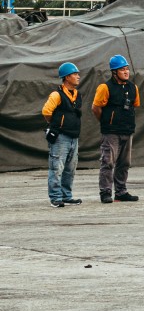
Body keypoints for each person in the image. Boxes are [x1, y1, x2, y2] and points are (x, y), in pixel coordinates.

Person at [92, 54, 141, 203]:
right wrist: (107, 122)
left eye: (127, 69)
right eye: (122, 69)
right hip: (111, 132)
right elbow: (96, 108)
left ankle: (121, 192)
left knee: (124, 163)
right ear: (114, 72)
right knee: (108, 162)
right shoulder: (105, 88)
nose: (126, 72)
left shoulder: (133, 88)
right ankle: (105, 192)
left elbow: (134, 106)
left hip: (127, 130)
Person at [42, 62, 85, 208]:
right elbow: (46, 112)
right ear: (66, 77)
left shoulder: (77, 94)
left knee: (70, 169)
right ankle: (55, 197)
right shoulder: (56, 95)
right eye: (75, 74)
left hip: (74, 137)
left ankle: (67, 196)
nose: (78, 76)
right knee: (56, 168)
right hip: (61, 137)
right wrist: (56, 125)